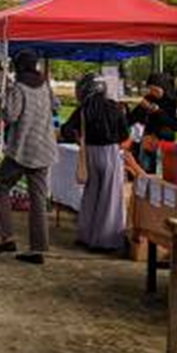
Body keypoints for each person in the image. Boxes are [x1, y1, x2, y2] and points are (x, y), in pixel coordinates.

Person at [0, 50, 57, 265]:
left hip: (23, 149)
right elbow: (55, 107)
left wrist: (3, 100)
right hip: (44, 148)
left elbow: (10, 116)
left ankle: (6, 236)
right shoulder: (45, 85)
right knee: (38, 199)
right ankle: (37, 249)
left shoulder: (18, 87)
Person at [60, 74, 132, 252]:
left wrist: (80, 140)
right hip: (110, 153)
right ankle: (105, 241)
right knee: (110, 198)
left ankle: (86, 235)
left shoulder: (83, 109)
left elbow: (66, 130)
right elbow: (125, 135)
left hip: (90, 154)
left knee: (90, 196)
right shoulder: (115, 107)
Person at [128, 73, 177, 174]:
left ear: (163, 87)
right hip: (148, 142)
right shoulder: (149, 98)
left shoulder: (174, 103)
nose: (152, 92)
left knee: (163, 172)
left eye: (155, 90)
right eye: (150, 89)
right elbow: (133, 118)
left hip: (165, 143)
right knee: (146, 170)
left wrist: (158, 111)